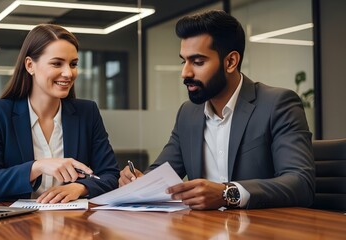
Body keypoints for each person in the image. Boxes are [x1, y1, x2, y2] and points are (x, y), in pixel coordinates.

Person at [119, 10, 315, 210]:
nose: (185, 73)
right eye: (183, 61)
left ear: (230, 62)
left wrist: (226, 193)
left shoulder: (277, 104)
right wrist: (137, 181)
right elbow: (161, 176)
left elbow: (300, 183)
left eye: (198, 62)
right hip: (204, 230)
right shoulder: (188, 113)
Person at [0, 24, 119, 203]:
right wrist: (38, 166)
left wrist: (81, 187)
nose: (68, 73)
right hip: (15, 225)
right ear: (30, 65)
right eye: (57, 63)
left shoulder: (87, 113)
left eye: (73, 64)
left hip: (74, 224)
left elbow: (111, 176)